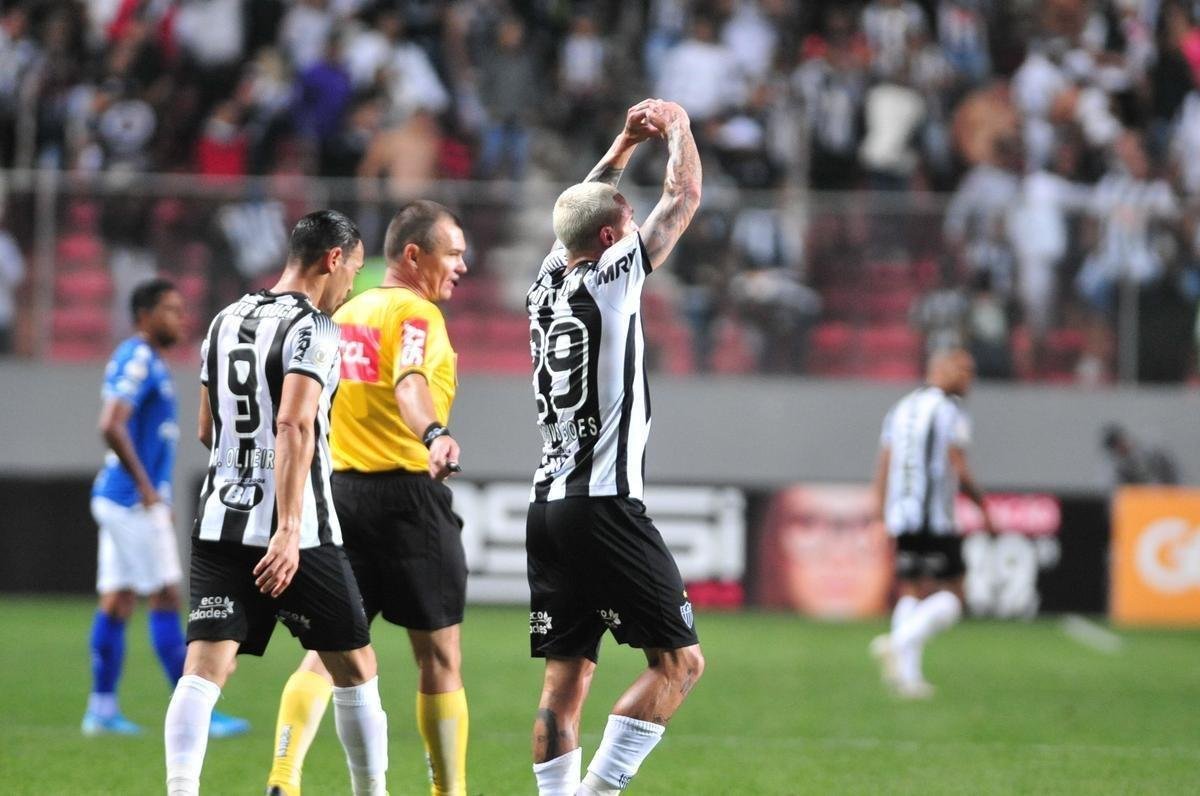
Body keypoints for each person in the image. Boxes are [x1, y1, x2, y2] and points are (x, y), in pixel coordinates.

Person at [164, 211, 388, 796]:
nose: (352, 288)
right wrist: (287, 527)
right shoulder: (314, 328)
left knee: (203, 670)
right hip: (299, 532)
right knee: (356, 669)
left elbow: (207, 430)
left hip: (218, 519)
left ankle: (180, 789)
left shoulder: (224, 317)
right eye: (355, 271)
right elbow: (294, 422)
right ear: (333, 259)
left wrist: (246, 466)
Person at [525, 98, 704, 796]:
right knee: (679, 665)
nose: (633, 218)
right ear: (609, 239)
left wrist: (624, 141)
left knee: (565, 681)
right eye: (622, 219)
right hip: (604, 505)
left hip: (549, 507)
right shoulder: (611, 279)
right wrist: (679, 129)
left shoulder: (545, 285)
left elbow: (580, 207)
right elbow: (682, 196)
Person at [266, 200, 470, 796]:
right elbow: (410, 380)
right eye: (452, 252)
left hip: (340, 497)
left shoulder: (344, 312)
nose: (461, 265)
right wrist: (433, 433)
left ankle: (285, 773)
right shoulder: (414, 312)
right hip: (409, 498)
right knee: (439, 659)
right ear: (414, 254)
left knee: (330, 654)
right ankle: (448, 792)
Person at [84, 278, 248, 739]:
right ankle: (199, 714)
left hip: (121, 499)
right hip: (131, 501)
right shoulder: (137, 357)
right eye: (171, 310)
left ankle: (100, 709)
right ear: (145, 315)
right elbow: (111, 424)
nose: (180, 318)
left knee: (117, 601)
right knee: (166, 597)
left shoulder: (148, 360)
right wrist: (149, 489)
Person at [869, 347, 994, 699]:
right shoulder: (949, 410)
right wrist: (984, 507)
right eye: (964, 370)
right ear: (941, 370)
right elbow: (957, 463)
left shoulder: (902, 407)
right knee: (954, 595)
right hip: (935, 518)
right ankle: (898, 643)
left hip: (902, 516)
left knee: (912, 590)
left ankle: (905, 678)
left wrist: (880, 514)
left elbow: (884, 464)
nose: (970, 379)